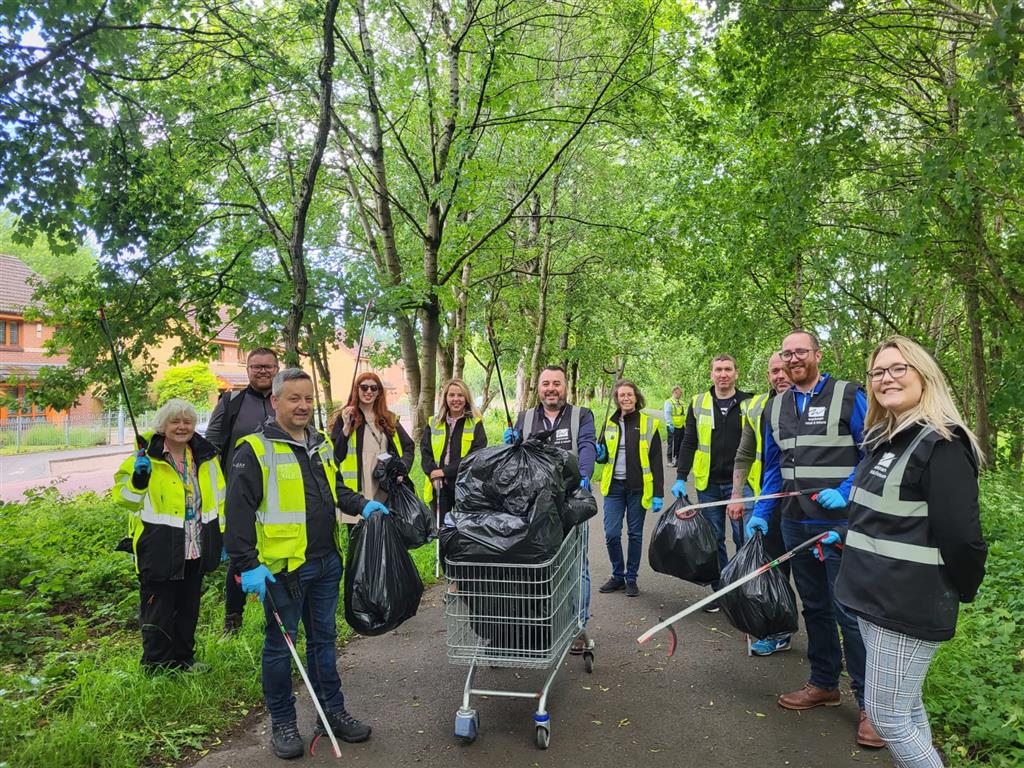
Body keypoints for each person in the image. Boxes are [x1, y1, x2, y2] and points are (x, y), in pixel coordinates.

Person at [830, 336, 986, 767]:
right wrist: (845, 537)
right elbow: (882, 516)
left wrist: (961, 590)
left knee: (888, 717)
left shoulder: (943, 444)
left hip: (907, 604)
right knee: (908, 708)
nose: (886, 378)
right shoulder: (887, 438)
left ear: (924, 375)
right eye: (878, 372)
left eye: (899, 368)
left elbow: (963, 539)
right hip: (873, 597)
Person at [226, 368, 385, 759]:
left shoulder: (320, 444)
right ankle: (283, 722)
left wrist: (364, 505)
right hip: (282, 571)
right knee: (282, 649)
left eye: (309, 399)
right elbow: (238, 514)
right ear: (275, 401)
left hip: (327, 562)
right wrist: (248, 564)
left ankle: (331, 713)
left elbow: (336, 490)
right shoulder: (255, 449)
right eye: (294, 398)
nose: (303, 406)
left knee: (324, 642)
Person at [745, 329, 882, 748]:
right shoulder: (776, 406)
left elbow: (873, 452)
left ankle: (871, 709)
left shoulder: (847, 395)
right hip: (794, 522)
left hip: (840, 524)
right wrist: (761, 512)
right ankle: (824, 683)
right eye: (787, 354)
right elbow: (773, 466)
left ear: (817, 354)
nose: (793, 359)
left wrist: (845, 490)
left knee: (849, 613)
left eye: (800, 351)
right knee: (816, 608)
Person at [113, 398, 225, 673]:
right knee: (158, 610)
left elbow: (220, 499)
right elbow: (124, 500)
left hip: (195, 545)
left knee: (188, 609)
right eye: (175, 421)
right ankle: (156, 666)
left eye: (187, 421)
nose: (182, 426)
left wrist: (222, 537)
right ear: (163, 425)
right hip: (159, 546)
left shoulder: (206, 458)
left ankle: (184, 659)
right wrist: (138, 481)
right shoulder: (142, 458)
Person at [503, 364, 597, 651]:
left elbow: (587, 446)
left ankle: (577, 627)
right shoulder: (525, 417)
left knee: (575, 565)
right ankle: (538, 624)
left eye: (557, 383)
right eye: (546, 383)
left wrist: (583, 477)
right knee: (534, 565)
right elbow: (515, 459)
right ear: (539, 388)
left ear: (565, 387)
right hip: (532, 507)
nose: (551, 389)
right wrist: (512, 444)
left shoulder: (581, 415)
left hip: (570, 502)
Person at [204, 347, 279, 635]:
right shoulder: (231, 401)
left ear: (277, 369)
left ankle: (275, 615)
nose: (262, 371)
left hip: (278, 493)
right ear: (247, 369)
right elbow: (211, 445)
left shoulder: (284, 400)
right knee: (240, 554)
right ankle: (232, 620)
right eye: (256, 366)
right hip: (239, 493)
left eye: (268, 366)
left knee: (276, 553)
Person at [671, 354, 753, 611]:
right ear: (711, 374)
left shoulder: (750, 403)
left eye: (728, 369)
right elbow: (688, 442)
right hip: (709, 484)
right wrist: (681, 477)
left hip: (743, 484)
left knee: (746, 539)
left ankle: (745, 589)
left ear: (736, 374)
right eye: (718, 369)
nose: (723, 374)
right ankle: (721, 590)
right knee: (714, 539)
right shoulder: (698, 403)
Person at [728, 352, 794, 654]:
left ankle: (828, 649)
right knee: (770, 568)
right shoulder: (757, 408)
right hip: (767, 502)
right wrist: (737, 494)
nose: (779, 376)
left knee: (812, 581)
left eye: (784, 370)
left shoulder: (813, 407)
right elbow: (744, 453)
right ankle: (774, 630)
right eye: (773, 372)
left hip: (810, 506)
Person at [595, 378, 663, 597]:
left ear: (636, 397)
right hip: (613, 488)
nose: (625, 398)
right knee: (612, 533)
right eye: (621, 395)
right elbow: (602, 456)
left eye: (629, 395)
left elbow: (656, 461)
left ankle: (631, 578)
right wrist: (600, 454)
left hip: (638, 488)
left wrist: (658, 494)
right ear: (616, 398)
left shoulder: (649, 424)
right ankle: (617, 575)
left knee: (635, 534)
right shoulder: (609, 423)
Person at [330, 371, 415, 523]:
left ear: (379, 392)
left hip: (384, 484)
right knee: (360, 540)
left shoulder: (388, 418)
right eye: (364, 387)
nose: (368, 391)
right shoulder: (346, 418)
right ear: (356, 390)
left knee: (386, 535)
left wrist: (402, 470)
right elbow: (336, 456)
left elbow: (409, 446)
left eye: (373, 388)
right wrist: (346, 430)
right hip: (358, 487)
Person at [421, 378, 487, 520]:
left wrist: (444, 471)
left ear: (466, 398)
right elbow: (426, 453)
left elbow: (475, 457)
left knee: (462, 533)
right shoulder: (433, 422)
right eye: (451, 395)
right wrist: (434, 474)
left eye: (460, 395)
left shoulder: (475, 424)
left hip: (464, 487)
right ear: (445, 398)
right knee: (442, 532)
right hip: (437, 486)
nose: (456, 399)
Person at [663, 386, 686, 465]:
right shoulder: (669, 402)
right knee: (672, 443)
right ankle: (670, 460)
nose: (680, 394)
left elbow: (683, 414)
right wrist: (670, 423)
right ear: (674, 392)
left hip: (681, 426)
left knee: (680, 443)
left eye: (681, 393)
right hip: (672, 426)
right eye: (679, 392)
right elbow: (667, 413)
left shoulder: (682, 402)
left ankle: (678, 460)